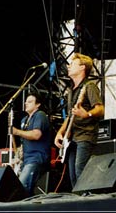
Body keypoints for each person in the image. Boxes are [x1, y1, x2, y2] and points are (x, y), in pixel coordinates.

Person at [54, 53, 104, 189]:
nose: (68, 66)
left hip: (85, 136)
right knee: (73, 176)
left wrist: (86, 113)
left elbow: (100, 109)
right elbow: (70, 116)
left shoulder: (89, 86)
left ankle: (87, 202)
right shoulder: (71, 91)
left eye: (72, 64)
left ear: (82, 68)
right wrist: (60, 133)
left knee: (80, 170)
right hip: (73, 138)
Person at [12, 92, 51, 196]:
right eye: (25, 102)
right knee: (25, 189)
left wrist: (17, 132)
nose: (26, 104)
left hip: (36, 157)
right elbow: (24, 142)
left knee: (22, 186)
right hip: (26, 159)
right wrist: (18, 157)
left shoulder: (40, 115)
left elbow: (36, 135)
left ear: (38, 104)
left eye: (30, 102)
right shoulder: (24, 120)